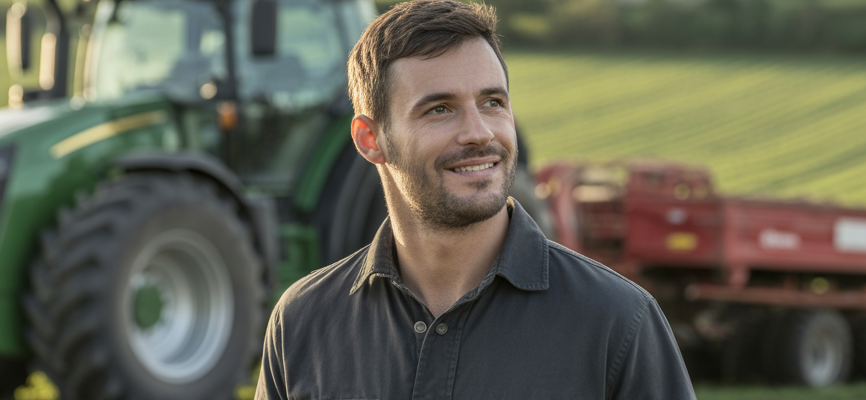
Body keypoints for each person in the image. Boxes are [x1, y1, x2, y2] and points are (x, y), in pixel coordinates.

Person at [255, 0, 695, 398]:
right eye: (439, 109)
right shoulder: (301, 323)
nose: (479, 133)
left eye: (492, 102)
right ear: (370, 139)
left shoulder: (617, 321)